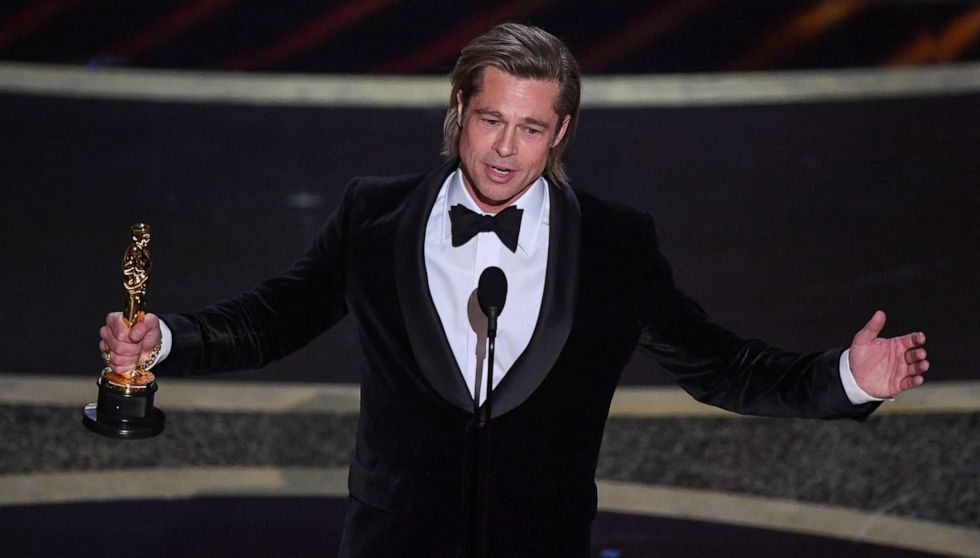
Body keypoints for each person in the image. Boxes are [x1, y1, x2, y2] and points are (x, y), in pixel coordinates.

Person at [99, 23, 930, 557]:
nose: (505, 150)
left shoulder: (612, 242)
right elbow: (273, 318)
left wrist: (848, 377)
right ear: (460, 108)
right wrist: (163, 340)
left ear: (561, 131)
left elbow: (719, 365)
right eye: (492, 120)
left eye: (531, 128)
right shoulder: (374, 215)